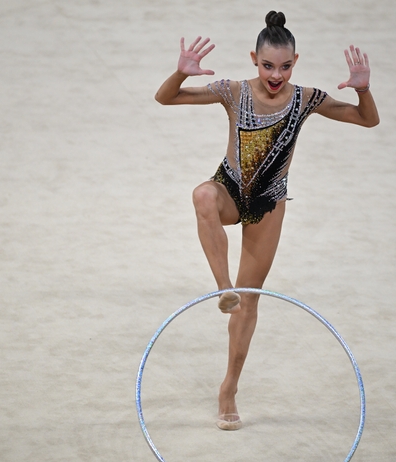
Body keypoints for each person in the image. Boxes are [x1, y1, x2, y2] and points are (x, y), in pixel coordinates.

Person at [155, 11, 379, 430]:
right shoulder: (233, 91)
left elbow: (368, 120)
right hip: (229, 189)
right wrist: (179, 73)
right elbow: (165, 98)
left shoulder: (306, 99)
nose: (276, 74)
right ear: (254, 58)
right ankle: (225, 289)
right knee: (202, 195)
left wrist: (364, 90)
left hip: (268, 203)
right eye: (268, 65)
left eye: (286, 66)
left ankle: (229, 388)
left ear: (296, 60)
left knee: (251, 303)